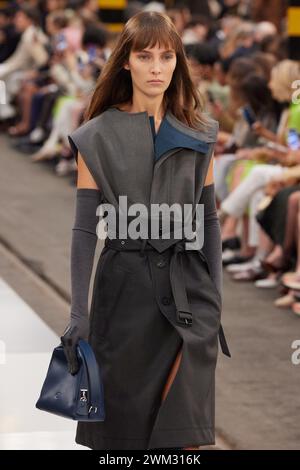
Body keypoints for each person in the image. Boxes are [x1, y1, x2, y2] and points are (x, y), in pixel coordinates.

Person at [60, 10, 230, 451]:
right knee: (123, 439)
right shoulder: (96, 136)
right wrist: (79, 312)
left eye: (167, 57)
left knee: (185, 438)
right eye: (146, 56)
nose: (157, 67)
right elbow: (83, 231)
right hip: (125, 295)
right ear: (126, 62)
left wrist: (215, 299)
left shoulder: (199, 132)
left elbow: (208, 221)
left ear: (178, 64)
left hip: (187, 293)